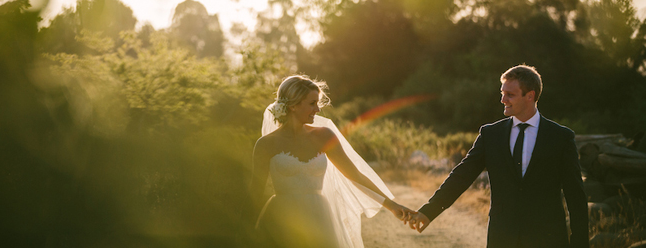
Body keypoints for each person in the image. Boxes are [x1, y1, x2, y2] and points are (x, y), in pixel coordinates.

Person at [406, 65, 589, 248]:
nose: (503, 99)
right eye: (502, 93)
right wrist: (429, 211)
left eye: (510, 95)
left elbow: (575, 195)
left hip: (548, 239)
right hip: (502, 238)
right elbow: (462, 176)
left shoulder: (561, 137)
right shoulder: (490, 135)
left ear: (530, 96)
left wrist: (580, 243)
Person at [248, 75, 411, 248]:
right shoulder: (266, 144)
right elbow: (255, 192)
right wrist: (243, 233)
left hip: (319, 218)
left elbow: (355, 175)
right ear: (293, 105)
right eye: (312, 103)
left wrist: (393, 206)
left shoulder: (324, 136)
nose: (317, 109)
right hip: (281, 219)